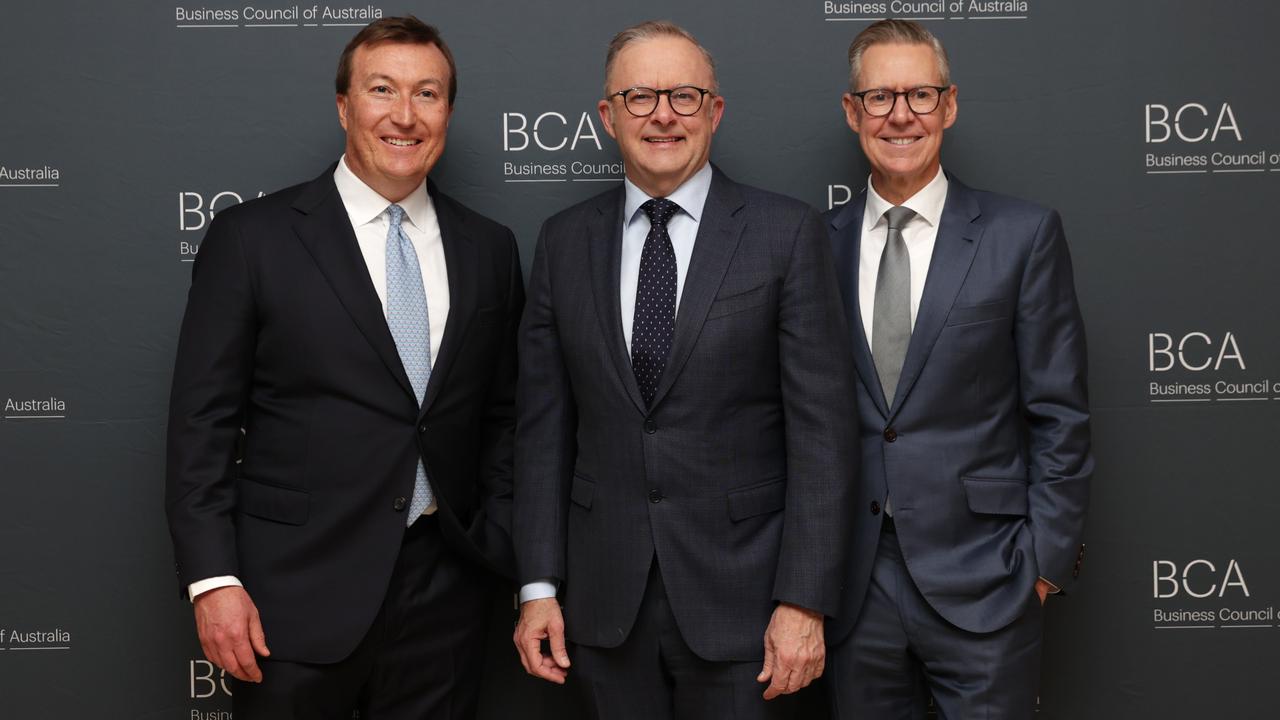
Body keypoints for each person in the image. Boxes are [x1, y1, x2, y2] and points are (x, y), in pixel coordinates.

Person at [164, 16, 522, 719]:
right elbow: (200, 425)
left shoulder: (490, 249)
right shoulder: (252, 240)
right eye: (382, 89)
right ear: (343, 105)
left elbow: (506, 417)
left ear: (447, 111)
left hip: (446, 595)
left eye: (428, 93)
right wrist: (213, 579)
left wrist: (499, 540)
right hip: (289, 598)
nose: (405, 114)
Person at [511, 20, 859, 720]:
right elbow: (543, 432)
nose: (663, 114)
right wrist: (538, 587)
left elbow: (824, 435)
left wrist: (804, 602)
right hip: (603, 609)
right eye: (639, 97)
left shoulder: (786, 235)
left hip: (749, 612)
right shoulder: (563, 241)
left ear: (716, 111)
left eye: (685, 95)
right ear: (607, 118)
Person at [823, 19, 1093, 719]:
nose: (901, 115)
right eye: (880, 97)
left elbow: (1059, 412)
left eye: (920, 94)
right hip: (852, 590)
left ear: (949, 105)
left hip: (989, 581)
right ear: (853, 112)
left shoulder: (1022, 236)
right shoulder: (810, 246)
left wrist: (1042, 568)